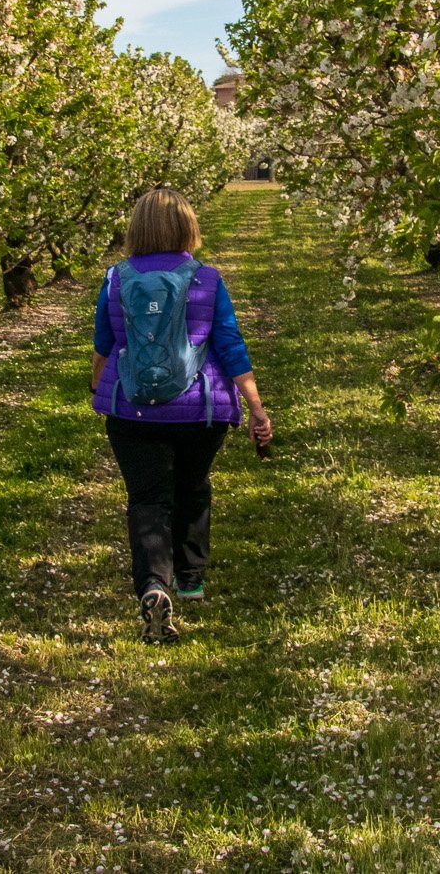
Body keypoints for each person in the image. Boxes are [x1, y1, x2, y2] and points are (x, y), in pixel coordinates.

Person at [90, 188, 274, 644]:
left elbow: (104, 341)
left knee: (148, 497)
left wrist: (99, 386)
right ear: (187, 226)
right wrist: (254, 405)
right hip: (201, 410)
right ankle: (190, 580)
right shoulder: (206, 279)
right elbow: (230, 344)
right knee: (193, 486)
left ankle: (154, 582)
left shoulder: (116, 278)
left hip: (132, 409)